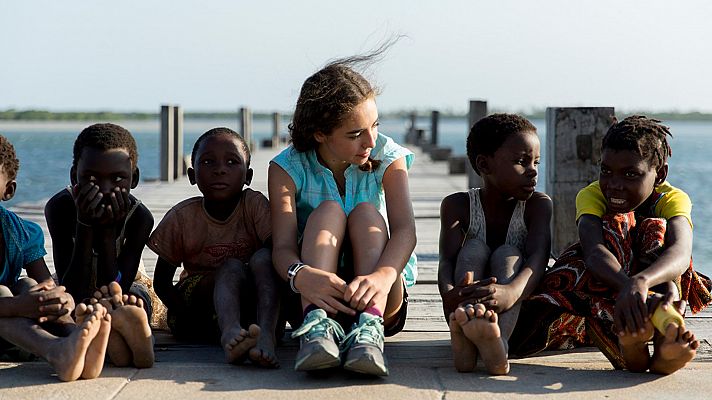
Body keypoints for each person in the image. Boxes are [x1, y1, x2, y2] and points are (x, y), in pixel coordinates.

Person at [511, 115, 711, 374]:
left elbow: (681, 252)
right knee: (615, 224)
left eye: (631, 174)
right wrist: (629, 286)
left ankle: (664, 344)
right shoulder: (592, 195)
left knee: (655, 231)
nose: (614, 185)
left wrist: (643, 283)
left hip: (655, 290)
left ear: (659, 174)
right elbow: (594, 251)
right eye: (606, 171)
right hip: (603, 286)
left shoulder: (672, 199)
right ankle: (632, 347)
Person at [268, 54, 417, 377]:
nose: (370, 141)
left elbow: (405, 231)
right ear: (320, 134)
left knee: (366, 213)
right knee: (328, 211)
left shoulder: (388, 157)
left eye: (374, 125)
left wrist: (382, 278)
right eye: (355, 134)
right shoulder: (286, 168)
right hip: (315, 293)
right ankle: (317, 330)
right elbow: (281, 247)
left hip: (380, 292)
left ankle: (369, 333)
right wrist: (300, 274)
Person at [149, 127, 279, 367]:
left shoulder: (254, 205)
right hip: (198, 309)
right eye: (208, 162)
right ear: (192, 175)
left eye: (232, 162)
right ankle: (230, 333)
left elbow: (279, 252)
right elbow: (162, 283)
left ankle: (266, 336)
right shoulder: (182, 217)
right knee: (230, 267)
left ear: (248, 176)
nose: (220, 170)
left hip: (252, 306)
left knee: (264, 258)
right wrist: (188, 316)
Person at [437, 113, 552, 375]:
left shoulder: (537, 206)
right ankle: (466, 339)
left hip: (519, 312)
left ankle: (497, 343)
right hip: (463, 306)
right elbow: (447, 261)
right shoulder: (457, 206)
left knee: (509, 253)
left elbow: (538, 259)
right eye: (522, 162)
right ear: (484, 165)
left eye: (536, 161)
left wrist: (510, 292)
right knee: (474, 249)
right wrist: (449, 293)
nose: (533, 170)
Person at [0, 134, 111, 381]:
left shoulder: (20, 232)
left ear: (8, 190)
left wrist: (60, 300)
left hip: (20, 338)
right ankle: (58, 352)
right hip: (15, 330)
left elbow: (47, 284)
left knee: (29, 286)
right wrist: (15, 306)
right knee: (3, 293)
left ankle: (76, 341)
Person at [45, 123, 155, 369]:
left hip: (123, 284)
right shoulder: (60, 208)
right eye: (91, 178)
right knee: (61, 306)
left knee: (135, 299)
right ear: (74, 176)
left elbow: (118, 285)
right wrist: (84, 223)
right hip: (74, 283)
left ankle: (121, 333)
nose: (105, 189)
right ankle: (114, 341)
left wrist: (106, 234)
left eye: (117, 179)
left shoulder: (139, 218)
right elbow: (71, 285)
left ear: (134, 178)